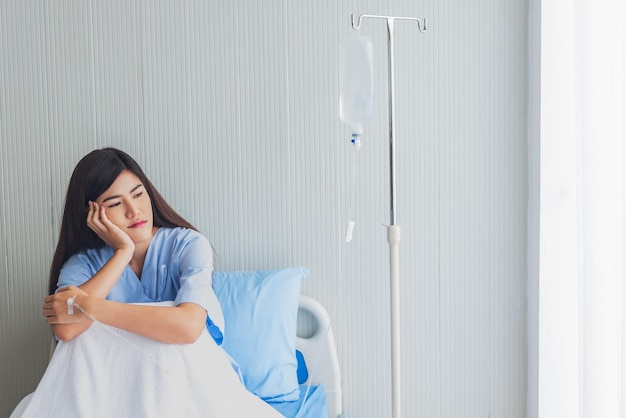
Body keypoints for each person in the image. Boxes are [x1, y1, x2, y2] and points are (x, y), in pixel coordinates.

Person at [42, 147, 224, 344]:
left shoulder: (188, 245)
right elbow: (66, 331)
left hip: (187, 369)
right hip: (119, 372)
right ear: (90, 214)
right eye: (115, 204)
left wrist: (88, 306)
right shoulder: (83, 263)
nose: (133, 211)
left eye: (137, 195)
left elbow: (189, 328)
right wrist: (123, 252)